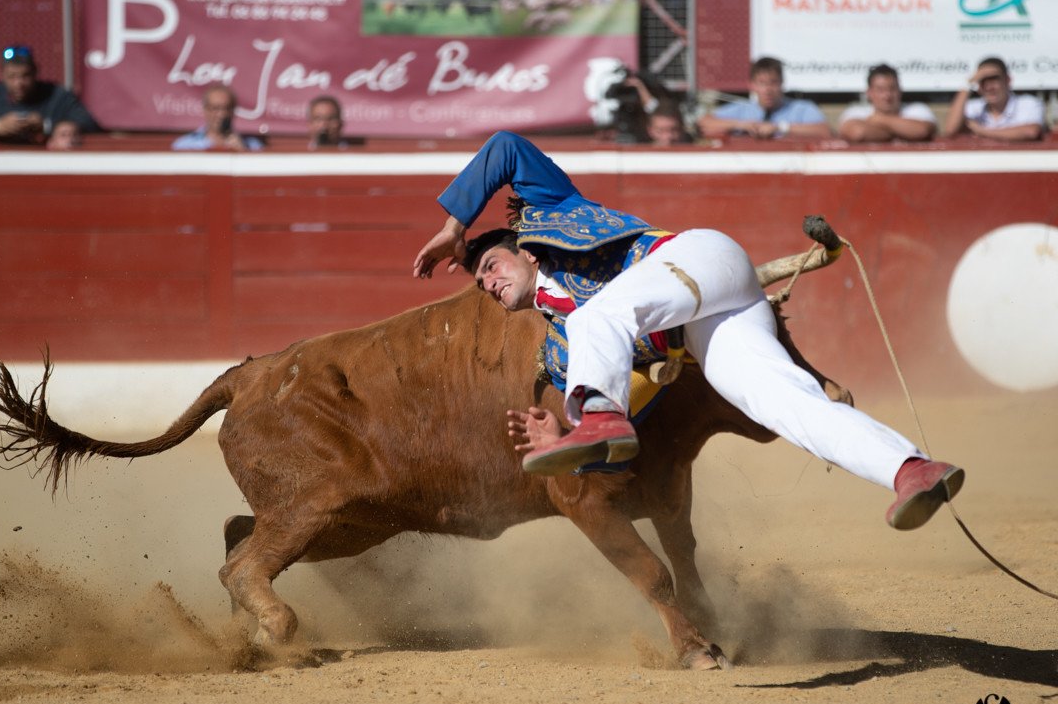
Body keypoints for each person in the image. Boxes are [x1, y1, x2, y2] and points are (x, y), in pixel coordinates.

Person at [412, 131, 963, 530]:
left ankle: (595, 416)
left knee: (597, 318)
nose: (486, 283)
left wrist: (453, 228)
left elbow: (505, 147)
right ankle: (910, 469)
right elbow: (640, 412)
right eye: (480, 282)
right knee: (782, 404)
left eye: (491, 267)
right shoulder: (566, 353)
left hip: (698, 257)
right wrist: (568, 446)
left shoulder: (551, 212)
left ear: (526, 252)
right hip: (706, 322)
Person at [0, 46, 99, 144]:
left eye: (25, 76)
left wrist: (46, 125)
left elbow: (90, 124)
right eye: (12, 77)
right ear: (1, 75)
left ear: (36, 72)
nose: (19, 83)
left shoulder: (56, 95)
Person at [696, 57, 831, 140]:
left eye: (773, 83)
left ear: (782, 83)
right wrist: (741, 125)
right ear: (752, 85)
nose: (767, 90)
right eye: (761, 83)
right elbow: (703, 124)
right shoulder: (743, 109)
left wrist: (779, 127)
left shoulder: (801, 108)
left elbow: (824, 131)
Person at [942, 57, 1047, 142]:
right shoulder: (973, 107)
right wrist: (968, 84)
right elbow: (950, 131)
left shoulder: (1028, 103)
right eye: (982, 81)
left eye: (994, 79)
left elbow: (1032, 132)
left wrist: (982, 131)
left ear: (1008, 80)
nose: (989, 87)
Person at [838, 64, 936, 143]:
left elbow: (922, 131)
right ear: (869, 93)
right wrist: (902, 131)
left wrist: (877, 119)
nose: (887, 95)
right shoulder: (855, 112)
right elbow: (857, 133)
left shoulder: (917, 109)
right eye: (880, 90)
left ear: (900, 90)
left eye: (892, 89)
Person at [172, 84, 264, 151]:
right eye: (215, 108)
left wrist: (242, 152)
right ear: (205, 110)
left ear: (233, 111)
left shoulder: (252, 146)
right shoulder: (184, 146)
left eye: (226, 108)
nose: (221, 114)